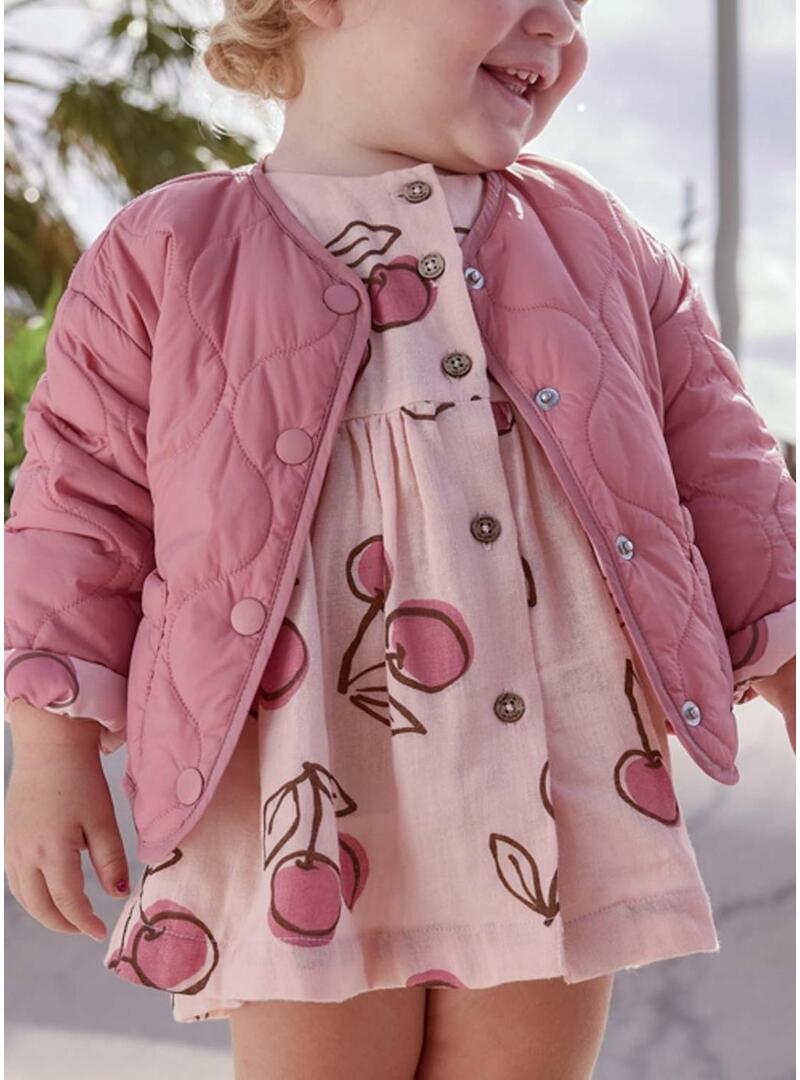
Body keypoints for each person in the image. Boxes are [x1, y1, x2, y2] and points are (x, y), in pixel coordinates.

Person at [4, 1, 796, 1077]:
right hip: (297, 783)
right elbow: (78, 505)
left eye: (578, 1)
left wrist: (786, 658)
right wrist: (51, 746)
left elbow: (724, 468)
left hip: (554, 765)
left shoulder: (597, 241)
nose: (559, 25)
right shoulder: (167, 251)